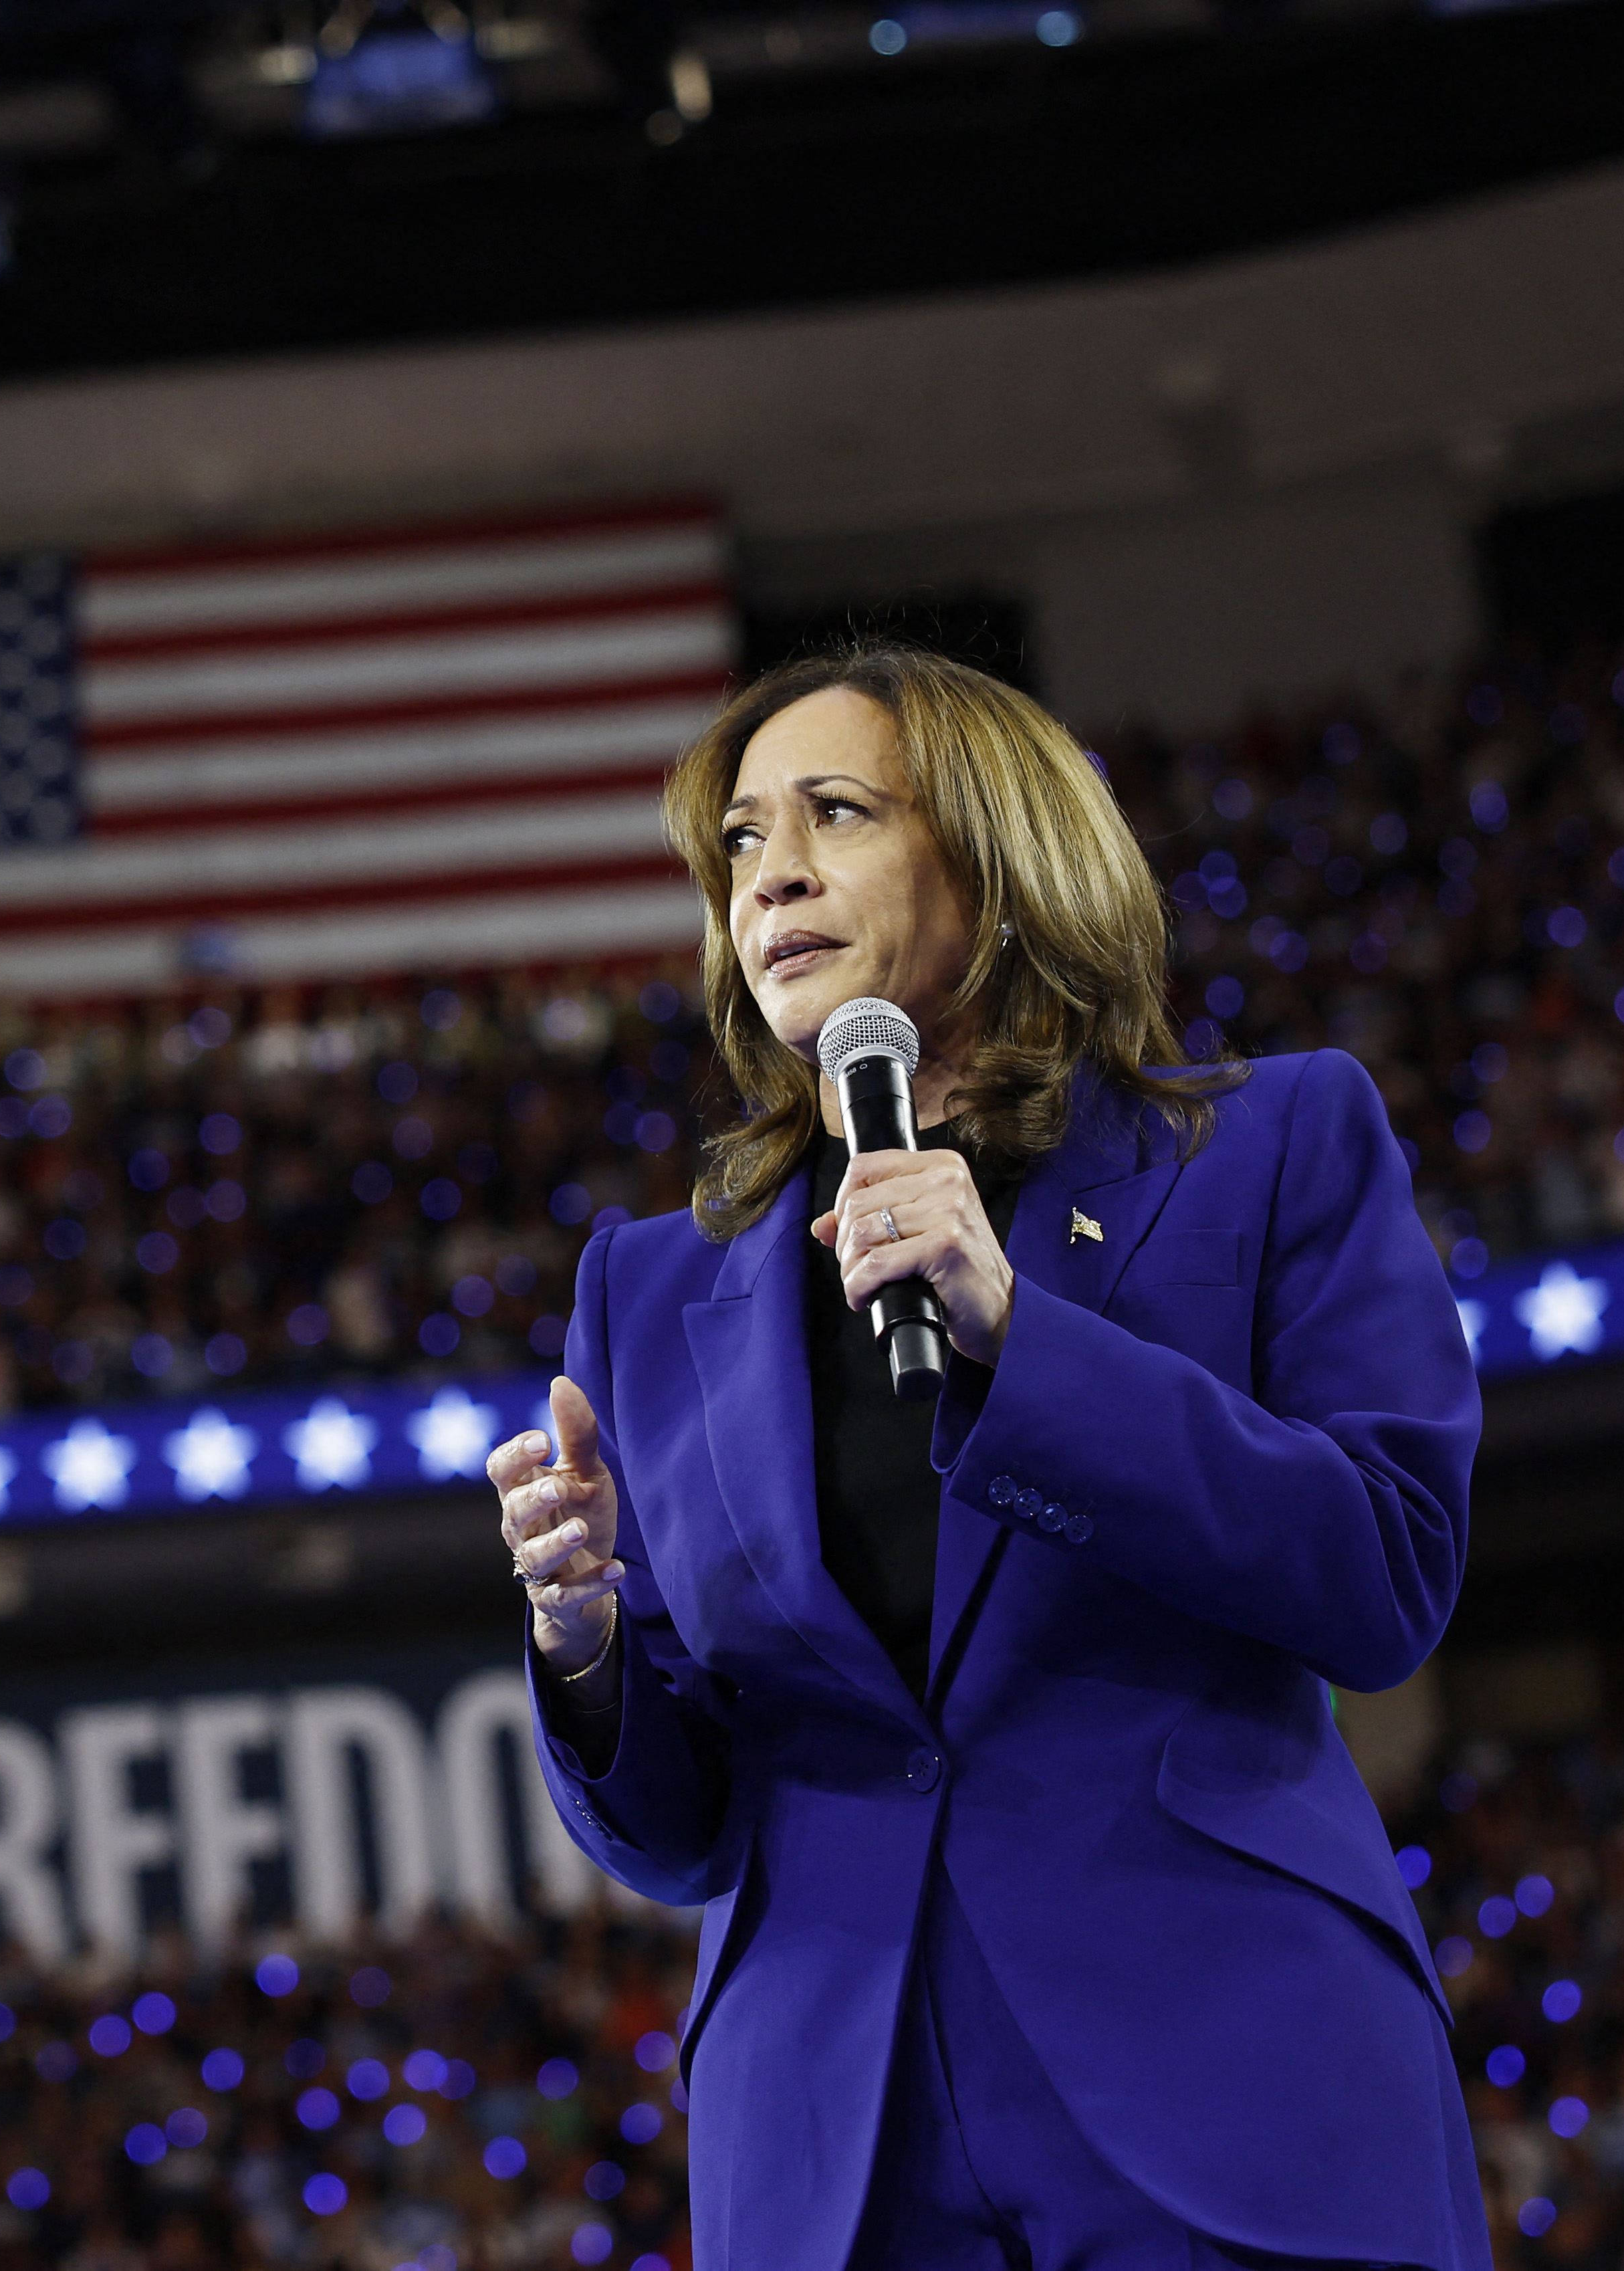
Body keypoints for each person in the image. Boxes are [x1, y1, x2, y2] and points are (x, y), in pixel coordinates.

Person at [491, 643, 1486, 2270]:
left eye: (836, 813)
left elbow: (1382, 1578)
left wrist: (1028, 1341)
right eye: (741, 840)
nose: (775, 876)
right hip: (837, 2159)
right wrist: (584, 1644)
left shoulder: (1271, 1148)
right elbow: (673, 1834)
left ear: (1002, 858)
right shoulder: (649, 1287)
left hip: (1232, 2086)